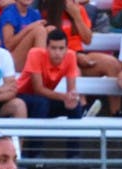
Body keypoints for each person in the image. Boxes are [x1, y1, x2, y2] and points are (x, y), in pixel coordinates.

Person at [41, 0, 122, 114]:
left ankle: (116, 113)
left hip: (79, 54)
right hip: (58, 58)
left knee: (112, 64)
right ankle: (83, 108)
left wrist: (76, 16)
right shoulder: (47, 10)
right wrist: (75, 56)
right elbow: (49, 45)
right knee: (74, 68)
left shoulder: (79, 10)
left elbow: (87, 39)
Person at [16, 27, 84, 157]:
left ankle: (73, 156)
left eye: (61, 48)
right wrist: (65, 97)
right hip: (23, 97)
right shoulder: (35, 53)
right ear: (46, 48)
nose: (57, 53)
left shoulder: (71, 56)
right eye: (53, 48)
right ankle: (34, 154)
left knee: (75, 107)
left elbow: (71, 90)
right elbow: (38, 89)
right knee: (42, 103)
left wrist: (71, 98)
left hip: (44, 100)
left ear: (66, 48)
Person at [0, 0, 45, 72]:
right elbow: (8, 45)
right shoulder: (9, 13)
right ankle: (40, 72)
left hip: (28, 56)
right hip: (8, 59)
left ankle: (44, 69)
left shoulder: (34, 13)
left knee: (50, 29)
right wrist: (29, 28)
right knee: (40, 31)